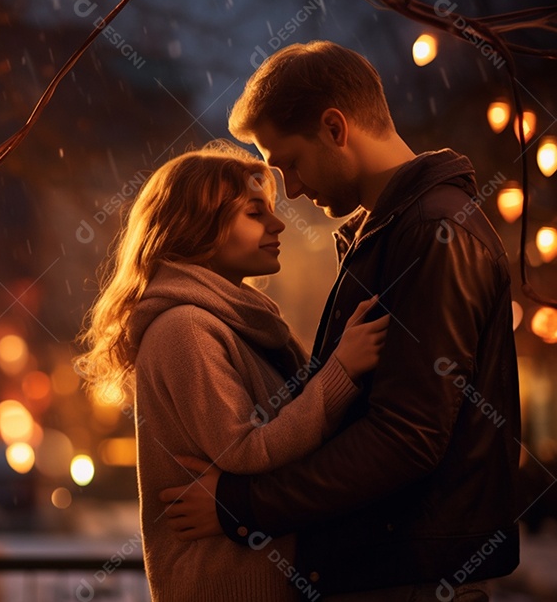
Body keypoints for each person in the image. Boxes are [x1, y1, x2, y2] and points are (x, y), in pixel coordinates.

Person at [158, 41, 521, 601]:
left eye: (290, 163)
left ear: (335, 128)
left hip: (409, 582)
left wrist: (242, 505)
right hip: (389, 573)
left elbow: (406, 437)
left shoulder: (432, 232)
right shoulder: (390, 233)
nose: (292, 190)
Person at [75, 140, 390, 601]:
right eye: (254, 213)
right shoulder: (185, 328)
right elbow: (245, 449)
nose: (278, 224)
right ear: (198, 227)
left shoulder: (242, 322)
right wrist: (341, 371)